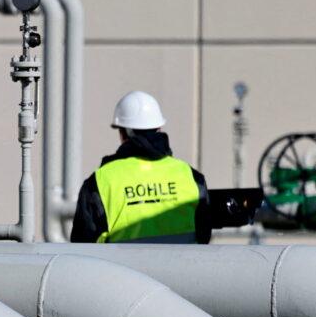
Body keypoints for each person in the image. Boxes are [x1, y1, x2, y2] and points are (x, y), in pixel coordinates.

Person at [71, 91, 211, 244]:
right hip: (182, 267)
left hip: (119, 268)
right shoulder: (190, 176)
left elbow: (82, 245)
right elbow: (204, 235)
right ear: (159, 128)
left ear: (123, 133)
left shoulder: (100, 181)